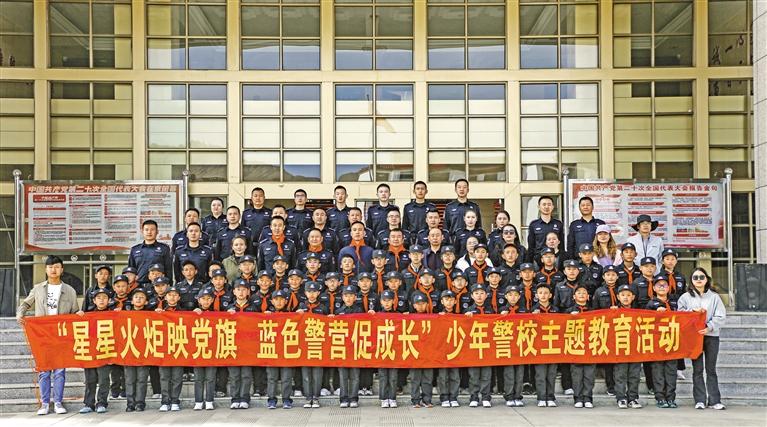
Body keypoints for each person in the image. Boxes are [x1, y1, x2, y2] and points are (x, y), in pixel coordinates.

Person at [16, 255, 82, 416]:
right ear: (46, 269)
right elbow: (26, 303)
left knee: (60, 371)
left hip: (61, 335)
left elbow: (74, 312)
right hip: (42, 335)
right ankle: (45, 403)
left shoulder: (70, 291)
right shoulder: (38, 288)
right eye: (51, 267)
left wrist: (78, 314)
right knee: (44, 370)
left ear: (62, 269)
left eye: (57, 267)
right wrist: (20, 313)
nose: (54, 270)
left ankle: (58, 402)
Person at [677, 267, 726, 410]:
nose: (698, 280)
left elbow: (721, 316)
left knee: (711, 369)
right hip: (694, 337)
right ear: (691, 280)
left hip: (711, 336)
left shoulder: (714, 297)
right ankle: (699, 400)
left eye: (701, 277)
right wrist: (692, 312)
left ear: (706, 279)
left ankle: (714, 400)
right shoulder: (685, 297)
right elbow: (680, 315)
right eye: (695, 277)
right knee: (697, 369)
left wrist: (709, 327)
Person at [646, 274, 678, 408]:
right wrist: (656, 314)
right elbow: (646, 321)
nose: (662, 287)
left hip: (672, 340)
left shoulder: (675, 302)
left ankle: (671, 397)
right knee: (658, 370)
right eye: (659, 285)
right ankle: (660, 397)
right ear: (654, 288)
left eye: (664, 285)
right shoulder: (651, 304)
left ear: (668, 287)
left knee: (671, 370)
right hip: (657, 341)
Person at [79, 288, 112, 414]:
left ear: (109, 300)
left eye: (104, 298)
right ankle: (88, 403)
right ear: (94, 300)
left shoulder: (114, 315)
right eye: (98, 298)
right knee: (90, 379)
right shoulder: (87, 314)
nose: (101, 300)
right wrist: (79, 317)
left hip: (105, 350)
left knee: (104, 379)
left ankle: (102, 402)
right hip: (90, 351)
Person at [611, 284, 643, 409]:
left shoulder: (639, 311)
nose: (625, 298)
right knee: (620, 374)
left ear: (633, 297)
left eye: (628, 295)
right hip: (620, 347)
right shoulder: (613, 311)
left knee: (634, 374)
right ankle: (621, 398)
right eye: (623, 295)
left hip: (635, 347)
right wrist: (612, 313)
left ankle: (633, 398)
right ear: (618, 297)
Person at [227, 279, 257, 409]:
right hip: (232, 345)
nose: (241, 292)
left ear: (248, 292)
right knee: (234, 375)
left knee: (246, 374)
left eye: (244, 289)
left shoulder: (253, 308)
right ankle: (235, 398)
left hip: (248, 346)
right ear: (234, 291)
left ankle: (245, 398)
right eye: (238, 289)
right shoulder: (229, 308)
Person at [296, 281, 327, 408]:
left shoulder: (323, 307)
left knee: (317, 371)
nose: (312, 294)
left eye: (314, 292)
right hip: (304, 343)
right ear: (305, 293)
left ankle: (316, 397)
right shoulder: (301, 306)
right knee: (306, 372)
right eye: (309, 292)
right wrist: (297, 315)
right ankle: (308, 397)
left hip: (318, 343)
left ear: (318, 293)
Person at [264, 288, 296, 410]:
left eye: (281, 299)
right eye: (276, 299)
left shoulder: (291, 314)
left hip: (286, 350)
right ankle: (271, 399)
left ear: (286, 301)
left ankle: (286, 399)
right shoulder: (266, 315)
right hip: (271, 350)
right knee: (272, 377)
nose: (279, 302)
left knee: (286, 377)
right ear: (272, 301)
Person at [464, 284, 494, 407]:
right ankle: (474, 397)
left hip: (487, 345)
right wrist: (466, 318)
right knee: (474, 374)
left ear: (486, 295)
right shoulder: (468, 311)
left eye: (482, 293)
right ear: (472, 296)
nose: (479, 296)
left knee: (486, 374)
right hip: (473, 346)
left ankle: (486, 397)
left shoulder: (491, 310)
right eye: (476, 293)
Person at [334, 285, 363, 408]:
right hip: (342, 346)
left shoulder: (360, 311)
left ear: (355, 297)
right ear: (342, 297)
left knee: (355, 375)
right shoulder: (338, 312)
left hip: (355, 346)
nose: (349, 298)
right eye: (346, 296)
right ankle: (343, 398)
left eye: (351, 295)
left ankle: (354, 398)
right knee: (343, 375)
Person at [123, 287, 151, 412]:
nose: (138, 299)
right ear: (132, 300)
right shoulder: (124, 315)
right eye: (136, 297)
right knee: (129, 379)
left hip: (144, 351)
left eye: (141, 297)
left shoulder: (151, 315)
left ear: (146, 301)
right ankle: (130, 403)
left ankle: (140, 403)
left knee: (142, 379)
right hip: (129, 350)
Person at [567, 284, 595, 408]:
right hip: (575, 345)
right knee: (577, 374)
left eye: (584, 293)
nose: (582, 295)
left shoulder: (594, 311)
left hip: (590, 344)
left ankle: (588, 397)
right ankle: (578, 398)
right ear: (574, 296)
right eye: (579, 293)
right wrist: (570, 318)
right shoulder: (568, 311)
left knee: (589, 374)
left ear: (588, 296)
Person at [532, 284, 558, 407]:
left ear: (550, 295)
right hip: (539, 345)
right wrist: (533, 317)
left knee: (551, 373)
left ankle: (550, 397)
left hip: (553, 345)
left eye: (546, 293)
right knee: (540, 374)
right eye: (540, 293)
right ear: (537, 295)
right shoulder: (533, 310)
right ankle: (541, 397)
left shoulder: (556, 310)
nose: (543, 295)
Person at [191, 288, 217, 411]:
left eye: (208, 299)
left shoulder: (217, 313)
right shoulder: (194, 313)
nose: (206, 301)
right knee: (198, 377)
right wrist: (193, 314)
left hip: (211, 349)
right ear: (199, 300)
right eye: (203, 299)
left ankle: (209, 400)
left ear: (212, 300)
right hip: (198, 349)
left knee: (211, 377)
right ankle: (198, 400)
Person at [500, 285, 525, 408]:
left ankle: (518, 396)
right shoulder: (501, 310)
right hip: (507, 344)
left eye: (515, 295)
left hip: (520, 344)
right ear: (506, 296)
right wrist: (501, 316)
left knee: (519, 373)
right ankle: (509, 396)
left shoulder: (524, 310)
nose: (513, 297)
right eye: (510, 295)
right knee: (509, 372)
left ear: (519, 297)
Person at [409, 292, 434, 408]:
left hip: (428, 352)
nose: (420, 306)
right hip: (414, 352)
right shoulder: (408, 318)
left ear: (427, 305)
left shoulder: (433, 318)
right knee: (415, 378)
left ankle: (427, 400)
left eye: (423, 303)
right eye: (418, 304)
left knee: (427, 378)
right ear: (414, 305)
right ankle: (415, 400)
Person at [128, 220, 173, 286]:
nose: (149, 232)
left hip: (158, 286)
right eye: (146, 230)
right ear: (142, 231)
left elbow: (168, 269)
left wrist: (169, 284)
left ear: (157, 231)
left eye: (152, 229)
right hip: (139, 286)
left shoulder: (164, 248)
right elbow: (131, 270)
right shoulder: (135, 249)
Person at [436, 290, 460, 407]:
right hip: (442, 349)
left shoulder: (460, 315)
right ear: (442, 301)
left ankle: (454, 397)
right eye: (446, 300)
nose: (449, 302)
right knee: (443, 375)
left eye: (451, 300)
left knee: (455, 375)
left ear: (455, 301)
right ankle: (444, 397)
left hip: (456, 348)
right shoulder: (437, 315)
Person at [378, 290, 401, 409]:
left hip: (394, 349)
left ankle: (392, 398)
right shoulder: (376, 315)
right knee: (383, 376)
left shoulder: (398, 315)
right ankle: (383, 398)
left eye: (389, 300)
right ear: (381, 302)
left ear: (393, 301)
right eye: (384, 300)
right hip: (381, 348)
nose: (387, 303)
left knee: (393, 376)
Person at [526, 196, 564, 263]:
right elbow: (531, 246)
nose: (546, 207)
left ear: (552, 207)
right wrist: (530, 262)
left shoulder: (558, 224)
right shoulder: (534, 224)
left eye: (549, 204)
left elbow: (561, 245)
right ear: (539, 207)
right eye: (544, 204)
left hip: (555, 259)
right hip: (539, 259)